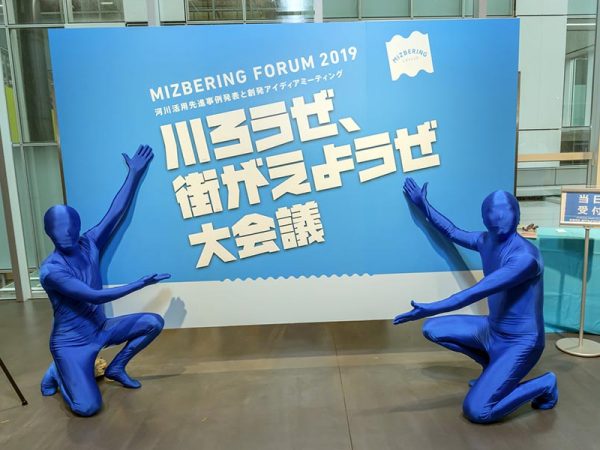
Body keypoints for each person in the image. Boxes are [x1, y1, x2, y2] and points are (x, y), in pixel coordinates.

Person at [394, 177, 558, 424]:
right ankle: (492, 370)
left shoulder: (526, 258)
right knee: (433, 329)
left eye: (505, 210)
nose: (498, 216)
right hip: (492, 330)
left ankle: (545, 383)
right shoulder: (484, 241)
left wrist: (430, 307)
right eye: (491, 211)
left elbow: (474, 293)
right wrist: (423, 204)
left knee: (478, 410)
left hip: (521, 342)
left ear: (517, 215)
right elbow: (452, 231)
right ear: (484, 218)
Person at [39, 145, 170, 417]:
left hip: (100, 329)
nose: (64, 233)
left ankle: (116, 367)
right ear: (48, 232)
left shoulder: (89, 243)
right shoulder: (51, 270)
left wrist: (134, 174)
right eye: (57, 229)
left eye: (70, 227)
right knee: (87, 408)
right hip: (71, 344)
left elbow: (116, 211)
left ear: (78, 227)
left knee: (153, 322)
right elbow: (93, 296)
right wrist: (140, 284)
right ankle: (58, 371)